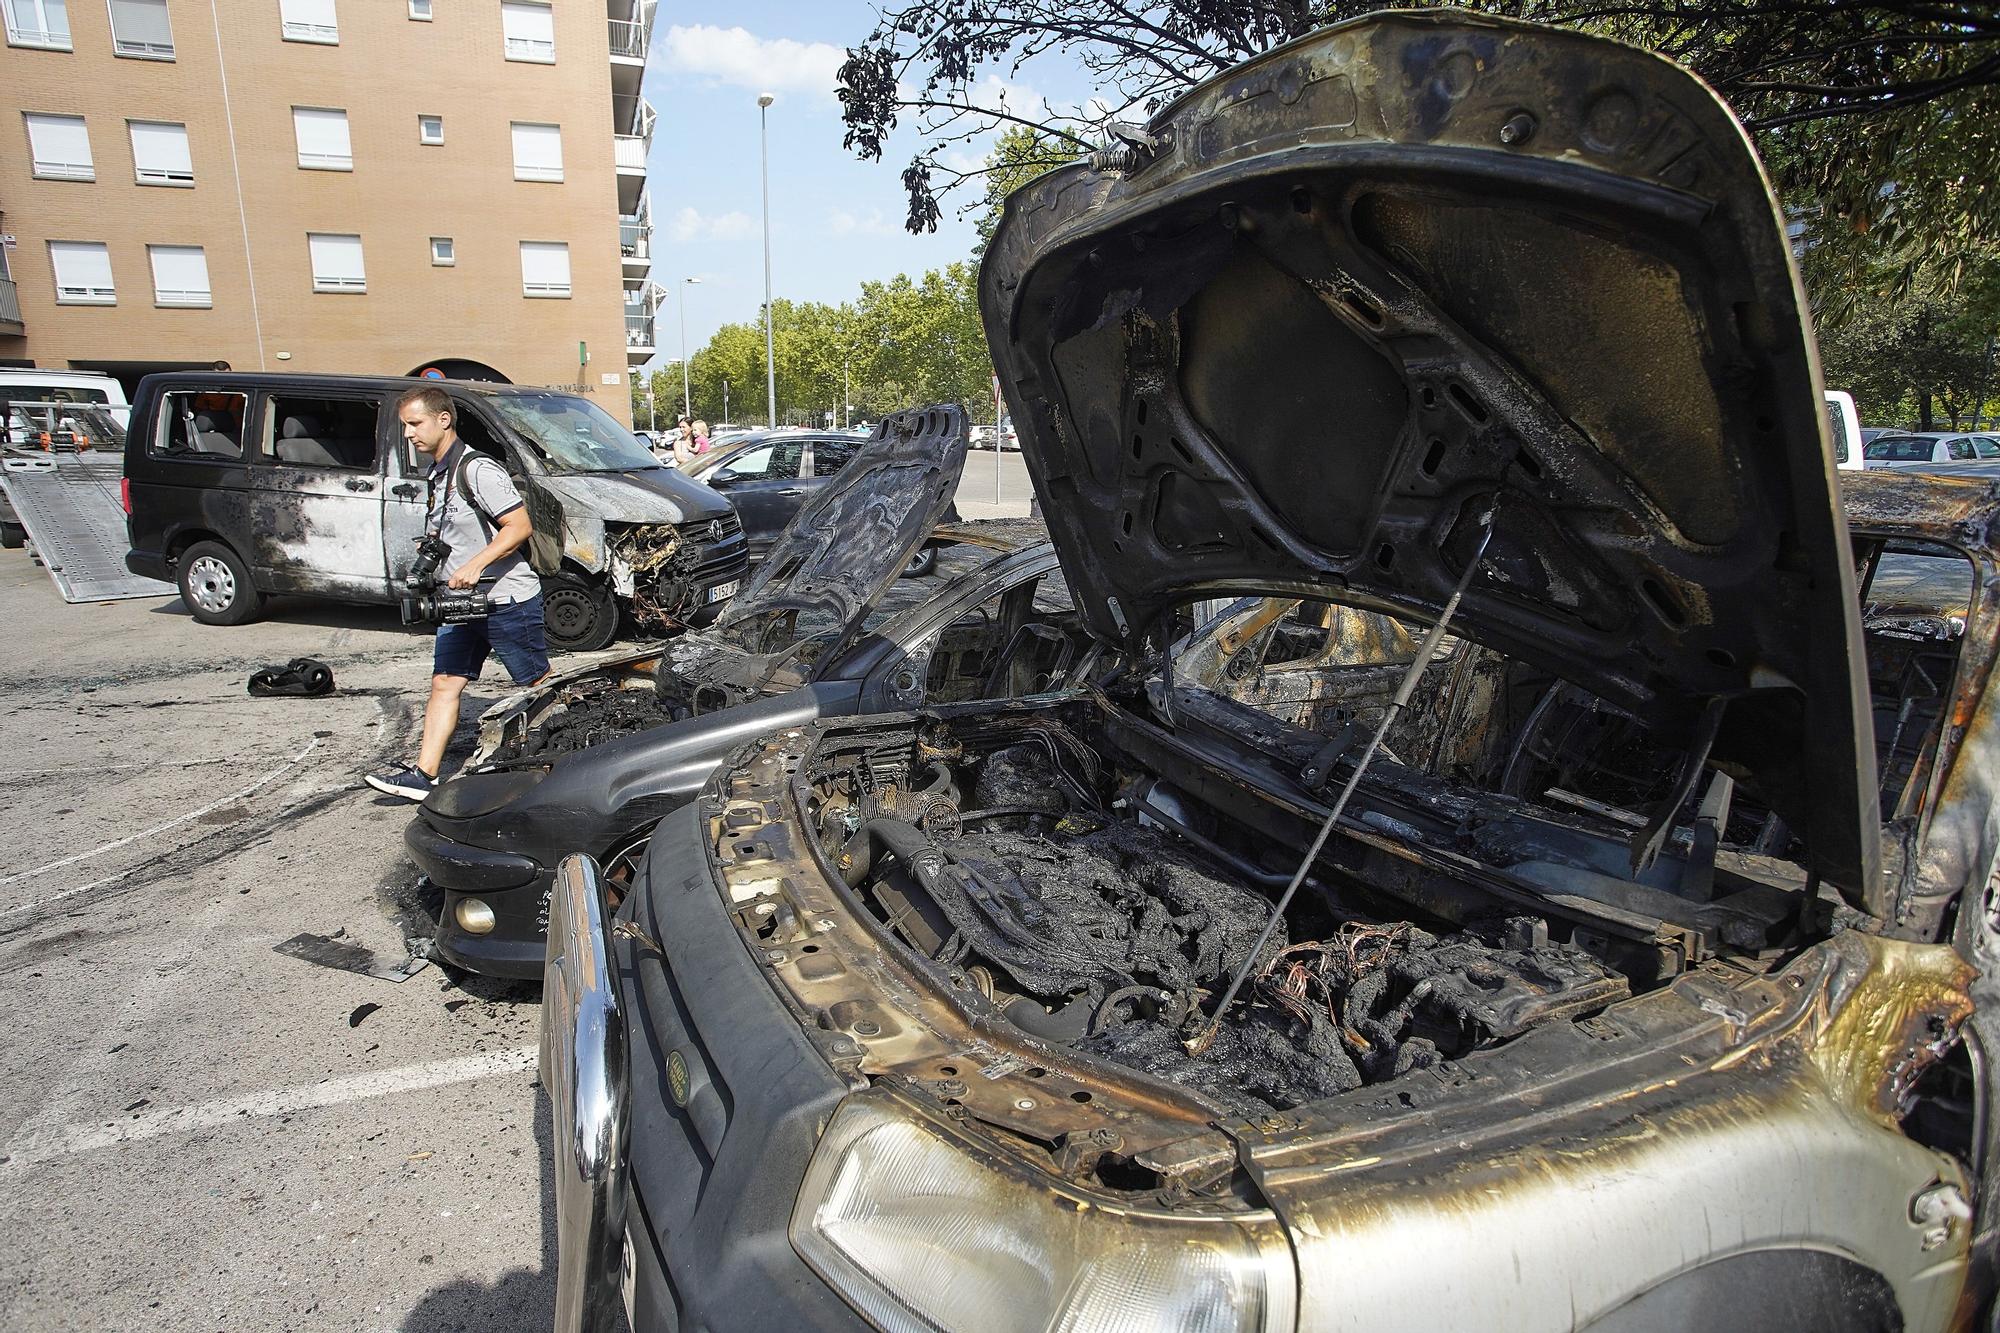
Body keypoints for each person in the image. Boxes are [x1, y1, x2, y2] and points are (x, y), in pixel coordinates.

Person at [366, 386, 550, 802]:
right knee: (445, 683)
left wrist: (475, 564)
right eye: (406, 426)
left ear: (443, 419)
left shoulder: (477, 469)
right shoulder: (439, 472)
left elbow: (519, 527)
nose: (409, 434)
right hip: (461, 603)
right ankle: (423, 775)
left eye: (416, 424)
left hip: (505, 599)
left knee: (536, 684)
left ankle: (566, 760)